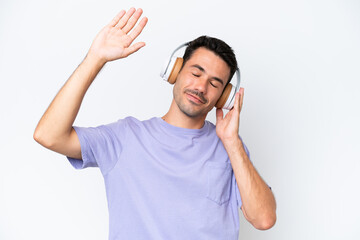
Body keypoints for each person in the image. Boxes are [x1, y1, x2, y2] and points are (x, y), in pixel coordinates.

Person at [34, 7, 276, 240]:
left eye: (214, 84)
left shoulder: (230, 148)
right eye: (195, 72)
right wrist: (95, 59)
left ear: (224, 97)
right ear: (175, 71)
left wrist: (232, 141)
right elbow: (48, 135)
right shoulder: (125, 137)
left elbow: (264, 219)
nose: (201, 87)